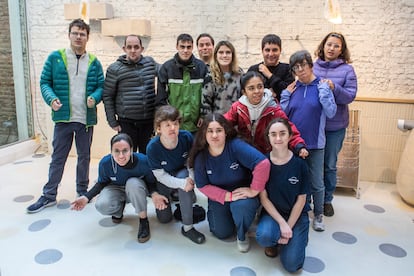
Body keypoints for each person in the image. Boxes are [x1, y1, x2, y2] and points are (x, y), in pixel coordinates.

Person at [27, 19, 104, 213]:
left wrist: (94, 98)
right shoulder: (56, 57)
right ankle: (49, 195)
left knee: (84, 157)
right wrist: (51, 99)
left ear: (88, 37)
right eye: (75, 33)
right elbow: (45, 82)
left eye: (82, 34)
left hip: (85, 119)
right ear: (69, 34)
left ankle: (82, 192)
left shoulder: (94, 62)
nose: (78, 37)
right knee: (58, 158)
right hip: (63, 118)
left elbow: (101, 87)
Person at [188, 112, 270, 253]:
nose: (214, 135)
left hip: (242, 194)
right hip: (221, 197)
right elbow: (202, 185)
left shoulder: (235, 146)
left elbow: (263, 163)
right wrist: (228, 196)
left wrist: (254, 190)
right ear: (204, 134)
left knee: (241, 207)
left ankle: (242, 233)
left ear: (226, 132)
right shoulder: (201, 156)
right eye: (210, 131)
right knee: (222, 233)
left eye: (219, 130)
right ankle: (236, 218)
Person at [71, 133, 168, 243]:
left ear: (131, 150)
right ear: (111, 151)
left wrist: (155, 194)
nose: (121, 156)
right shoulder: (105, 163)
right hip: (116, 188)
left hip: (136, 189)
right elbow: (101, 183)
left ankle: (143, 220)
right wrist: (86, 197)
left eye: (125, 151)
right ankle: (118, 211)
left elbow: (151, 182)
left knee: (133, 183)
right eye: (116, 151)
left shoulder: (143, 161)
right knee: (101, 205)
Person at [280, 50, 337, 232]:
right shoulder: (293, 89)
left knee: (317, 182)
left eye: (303, 65)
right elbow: (283, 116)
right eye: (296, 67)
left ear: (310, 65)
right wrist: (285, 97)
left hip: (315, 144)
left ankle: (319, 214)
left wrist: (324, 94)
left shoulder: (322, 85)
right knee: (294, 179)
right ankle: (299, 211)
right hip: (294, 144)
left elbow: (331, 112)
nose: (300, 70)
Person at [256, 118, 310, 273]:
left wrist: (289, 226)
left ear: (290, 135)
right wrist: (282, 223)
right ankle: (274, 241)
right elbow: (263, 198)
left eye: (282, 133)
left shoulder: (300, 164)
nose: (278, 138)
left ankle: (297, 237)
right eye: (273, 134)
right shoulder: (263, 163)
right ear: (268, 138)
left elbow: (301, 200)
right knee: (265, 236)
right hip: (274, 214)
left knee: (292, 266)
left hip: (297, 215)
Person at [146, 105, 206, 244]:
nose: (172, 128)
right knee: (165, 219)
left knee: (184, 181)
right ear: (159, 129)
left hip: (181, 173)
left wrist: (190, 180)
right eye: (167, 125)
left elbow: (191, 163)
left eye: (175, 124)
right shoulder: (152, 147)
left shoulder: (186, 137)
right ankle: (176, 194)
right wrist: (181, 184)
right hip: (164, 179)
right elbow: (160, 176)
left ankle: (188, 227)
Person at [313, 32, 358, 217]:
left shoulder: (348, 70)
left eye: (336, 46)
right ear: (323, 46)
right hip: (314, 126)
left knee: (329, 165)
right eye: (329, 44)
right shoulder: (313, 66)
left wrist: (334, 87)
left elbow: (350, 96)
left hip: (335, 127)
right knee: (312, 164)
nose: (331, 48)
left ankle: (327, 200)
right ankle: (310, 197)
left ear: (342, 50)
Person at [224, 71, 308, 156]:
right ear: (244, 92)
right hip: (245, 153)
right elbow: (223, 123)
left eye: (260, 87)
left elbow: (288, 128)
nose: (257, 91)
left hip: (266, 155)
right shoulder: (238, 108)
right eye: (251, 88)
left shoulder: (272, 109)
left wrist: (299, 146)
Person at [103, 34, 158, 153]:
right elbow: (107, 96)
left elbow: (166, 71)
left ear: (142, 49)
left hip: (148, 122)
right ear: (124, 49)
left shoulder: (150, 63)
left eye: (136, 47)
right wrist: (112, 121)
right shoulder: (114, 69)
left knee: (148, 158)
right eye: (129, 47)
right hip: (126, 123)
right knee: (128, 159)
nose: (133, 51)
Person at [156, 33, 208, 133]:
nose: (185, 50)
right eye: (182, 47)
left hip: (197, 126)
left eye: (188, 47)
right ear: (177, 47)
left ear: (192, 47)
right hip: (174, 126)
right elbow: (161, 99)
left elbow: (207, 96)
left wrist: (203, 115)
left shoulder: (201, 67)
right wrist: (166, 121)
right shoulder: (167, 68)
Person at [200, 40, 243, 117]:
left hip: (236, 122)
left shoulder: (239, 73)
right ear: (216, 55)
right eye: (221, 52)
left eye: (228, 52)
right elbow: (205, 104)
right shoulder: (210, 76)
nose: (224, 55)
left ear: (233, 55)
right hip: (217, 122)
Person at [248, 34, 294, 102]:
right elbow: (248, 93)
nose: (271, 54)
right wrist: (268, 93)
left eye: (275, 50)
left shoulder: (288, 69)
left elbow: (288, 91)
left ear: (280, 50)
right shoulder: (253, 70)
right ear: (262, 51)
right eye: (267, 50)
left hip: (282, 111)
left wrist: (269, 75)